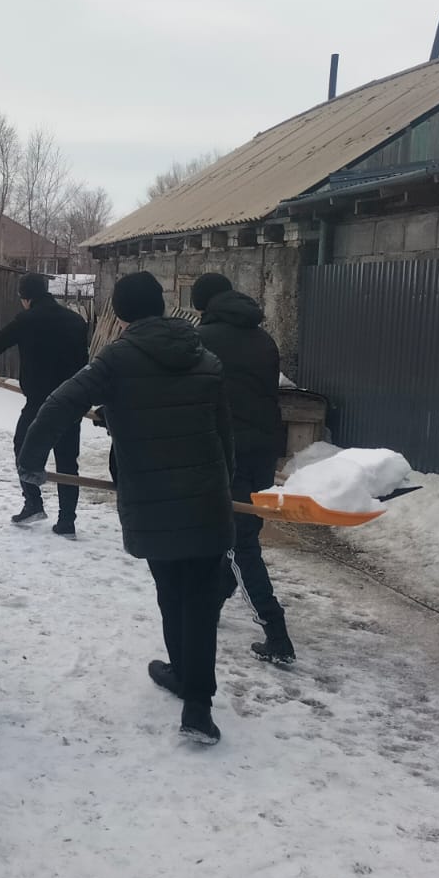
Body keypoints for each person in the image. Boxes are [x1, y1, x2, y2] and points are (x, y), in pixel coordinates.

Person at [18, 271, 235, 745]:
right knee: (200, 601)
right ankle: (197, 706)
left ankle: (184, 675)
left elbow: (59, 404)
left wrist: (30, 462)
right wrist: (227, 487)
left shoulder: (116, 359)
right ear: (162, 306)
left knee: (170, 589)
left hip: (152, 497)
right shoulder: (205, 357)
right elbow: (224, 434)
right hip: (206, 496)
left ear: (118, 314)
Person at [190, 272, 295, 664]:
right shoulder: (263, 339)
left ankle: (276, 632)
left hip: (225, 451)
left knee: (239, 542)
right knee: (238, 531)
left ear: (201, 304)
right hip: (263, 450)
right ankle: (213, 602)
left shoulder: (201, 340)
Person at [0, 273, 90, 536]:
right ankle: (67, 521)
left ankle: (33, 502)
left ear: (26, 298)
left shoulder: (27, 320)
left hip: (40, 402)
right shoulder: (76, 321)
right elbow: (85, 361)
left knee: (23, 449)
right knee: (68, 460)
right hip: (71, 401)